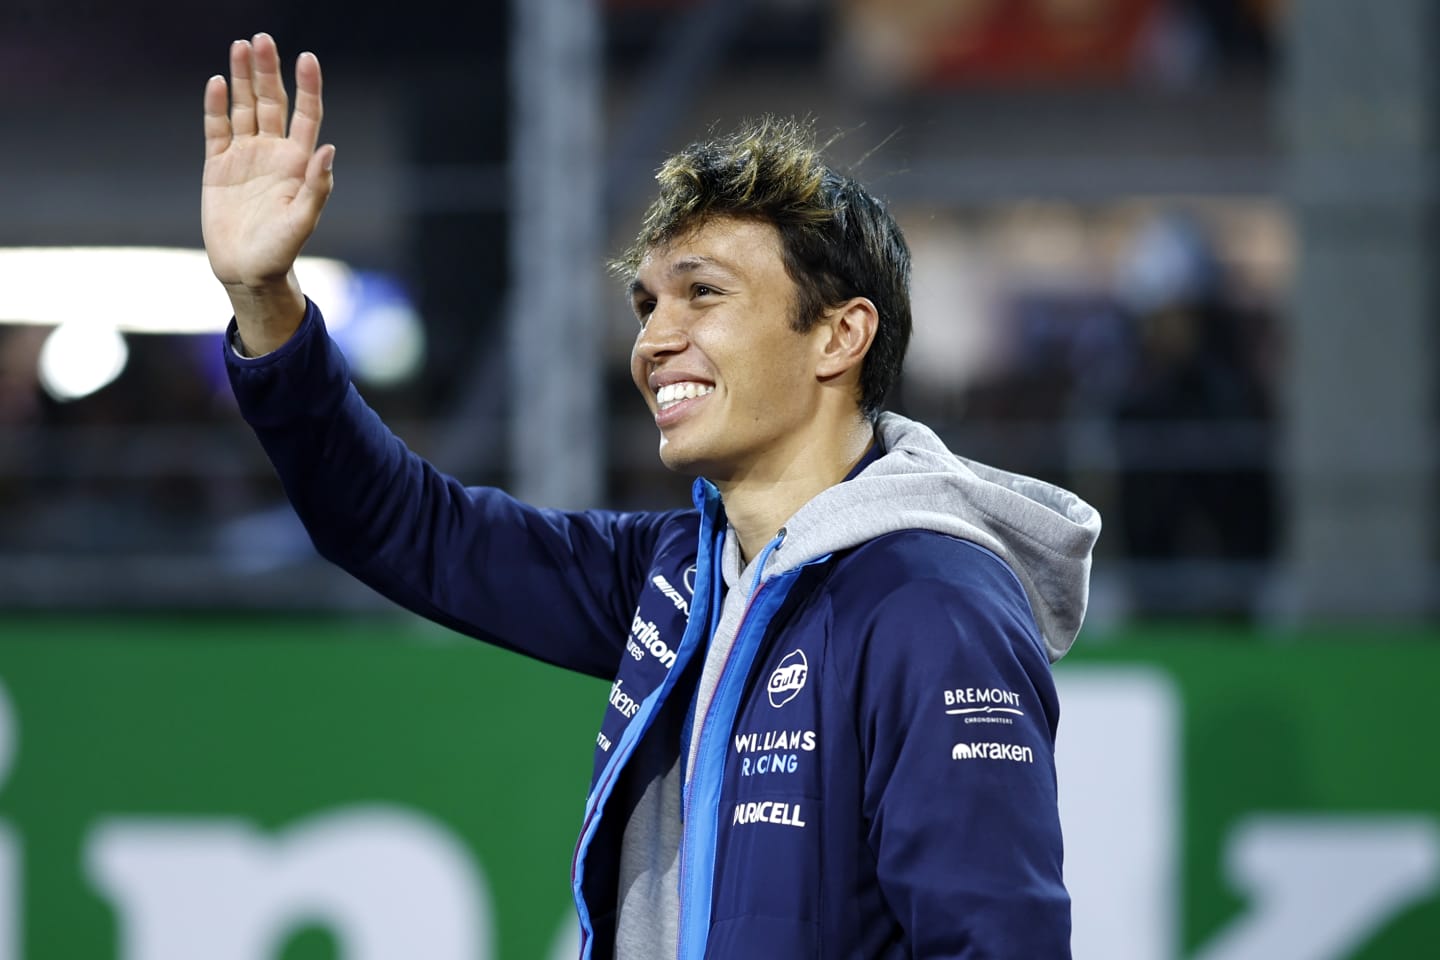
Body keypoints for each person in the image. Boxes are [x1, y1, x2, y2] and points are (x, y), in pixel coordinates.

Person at [204, 33, 1101, 960]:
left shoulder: (931, 601)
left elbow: (997, 945)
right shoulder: (684, 576)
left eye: (701, 295)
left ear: (840, 336)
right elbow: (399, 526)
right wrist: (265, 299)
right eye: (646, 306)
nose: (654, 341)